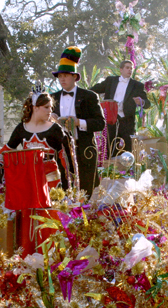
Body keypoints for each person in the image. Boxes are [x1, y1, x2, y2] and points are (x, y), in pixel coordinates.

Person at [0, 90, 71, 190]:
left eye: (51, 107)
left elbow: (65, 157)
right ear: (35, 108)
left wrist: (69, 180)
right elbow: (8, 148)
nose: (50, 111)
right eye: (46, 107)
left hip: (51, 180)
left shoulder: (55, 129)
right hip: (28, 178)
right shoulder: (21, 128)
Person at [51, 46, 105, 197]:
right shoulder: (52, 98)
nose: (62, 79)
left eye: (66, 75)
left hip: (84, 150)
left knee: (87, 188)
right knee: (63, 187)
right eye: (60, 76)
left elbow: (100, 123)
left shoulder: (89, 96)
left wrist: (79, 122)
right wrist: (51, 120)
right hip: (61, 150)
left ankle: (87, 217)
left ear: (74, 77)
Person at [90, 60, 151, 154]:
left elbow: (147, 103)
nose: (130, 70)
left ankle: (128, 168)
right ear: (121, 69)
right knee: (110, 148)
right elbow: (93, 90)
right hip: (111, 119)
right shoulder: (110, 81)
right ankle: (110, 168)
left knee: (128, 149)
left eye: (131, 68)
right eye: (127, 67)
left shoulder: (137, 85)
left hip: (127, 120)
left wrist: (141, 101)